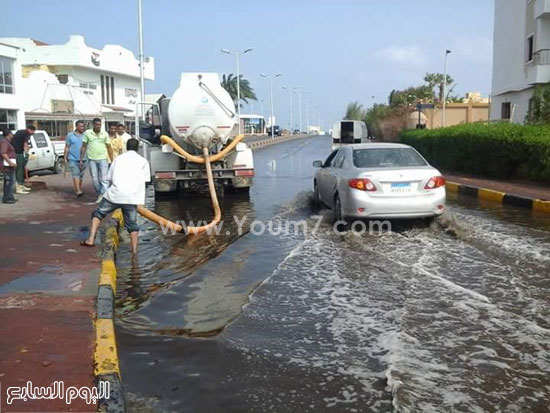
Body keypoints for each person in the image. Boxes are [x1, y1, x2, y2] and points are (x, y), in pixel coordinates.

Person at [81, 138, 150, 254]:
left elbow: (109, 178)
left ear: (126, 147)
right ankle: (134, 252)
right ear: (137, 148)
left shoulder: (118, 159)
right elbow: (146, 180)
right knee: (132, 225)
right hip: (131, 197)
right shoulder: (143, 161)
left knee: (98, 213)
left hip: (115, 195)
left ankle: (91, 239)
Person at [80, 118, 113, 203]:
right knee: (95, 179)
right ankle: (101, 193)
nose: (98, 126)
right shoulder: (87, 133)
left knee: (104, 179)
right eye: (97, 125)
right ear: (93, 125)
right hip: (91, 159)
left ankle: (102, 195)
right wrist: (81, 159)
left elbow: (109, 147)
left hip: (103, 159)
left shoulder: (104, 134)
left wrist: (112, 160)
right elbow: (84, 146)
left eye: (100, 125)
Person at [64, 120, 87, 197]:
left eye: (83, 126)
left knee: (81, 175)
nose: (82, 128)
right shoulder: (70, 135)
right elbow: (67, 147)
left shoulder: (86, 135)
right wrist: (65, 157)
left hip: (84, 158)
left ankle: (79, 189)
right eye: (81, 126)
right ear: (76, 126)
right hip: (72, 158)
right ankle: (78, 191)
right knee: (75, 174)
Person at [13, 125, 35, 194]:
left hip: (14, 152)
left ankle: (21, 185)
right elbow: (25, 144)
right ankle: (19, 188)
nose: (32, 133)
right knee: (20, 170)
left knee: (20, 169)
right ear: (30, 130)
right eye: (33, 132)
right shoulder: (27, 133)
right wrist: (26, 153)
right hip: (19, 153)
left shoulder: (19, 132)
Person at [0, 129, 17, 204]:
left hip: (9, 164)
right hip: (6, 165)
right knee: (9, 181)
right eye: (12, 134)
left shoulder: (7, 142)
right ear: (9, 134)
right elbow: (3, 153)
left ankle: (10, 196)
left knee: (10, 181)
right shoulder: (4, 142)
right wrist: (9, 162)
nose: (13, 135)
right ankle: (7, 198)